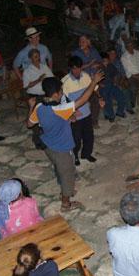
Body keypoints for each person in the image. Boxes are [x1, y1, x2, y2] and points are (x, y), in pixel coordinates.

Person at [27, 71, 104, 212]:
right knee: (68, 175)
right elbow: (82, 101)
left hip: (48, 146)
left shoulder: (39, 106)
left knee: (60, 169)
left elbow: (30, 124)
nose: (62, 93)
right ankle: (66, 203)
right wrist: (93, 82)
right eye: (61, 90)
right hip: (62, 148)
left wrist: (31, 106)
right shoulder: (59, 108)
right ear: (55, 94)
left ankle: (64, 190)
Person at [62, 56, 97, 165]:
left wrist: (99, 99)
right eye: (74, 68)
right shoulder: (65, 82)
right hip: (75, 117)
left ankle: (86, 154)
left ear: (82, 67)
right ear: (70, 69)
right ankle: (75, 156)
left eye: (78, 68)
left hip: (86, 113)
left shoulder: (86, 76)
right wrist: (72, 112)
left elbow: (93, 89)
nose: (76, 71)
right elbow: (62, 101)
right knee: (76, 139)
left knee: (89, 136)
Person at [71, 35, 103, 127]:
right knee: (81, 100)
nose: (81, 43)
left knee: (95, 99)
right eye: (80, 41)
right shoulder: (76, 53)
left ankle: (94, 121)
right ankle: (79, 120)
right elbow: (75, 67)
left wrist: (97, 65)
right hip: (81, 81)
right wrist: (89, 64)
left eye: (83, 41)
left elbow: (101, 62)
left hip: (94, 79)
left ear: (88, 42)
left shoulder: (93, 51)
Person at [99, 51, 127, 122]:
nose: (105, 62)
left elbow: (116, 74)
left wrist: (115, 82)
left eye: (106, 60)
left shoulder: (111, 66)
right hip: (103, 86)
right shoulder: (99, 67)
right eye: (104, 60)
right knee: (107, 99)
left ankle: (119, 112)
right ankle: (110, 115)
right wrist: (99, 84)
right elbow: (94, 79)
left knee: (121, 96)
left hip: (111, 84)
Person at [121, 40, 139, 108]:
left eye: (131, 45)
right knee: (133, 88)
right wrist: (136, 76)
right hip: (132, 76)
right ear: (126, 47)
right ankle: (132, 102)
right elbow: (127, 70)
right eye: (129, 46)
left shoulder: (137, 53)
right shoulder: (124, 57)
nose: (130, 47)